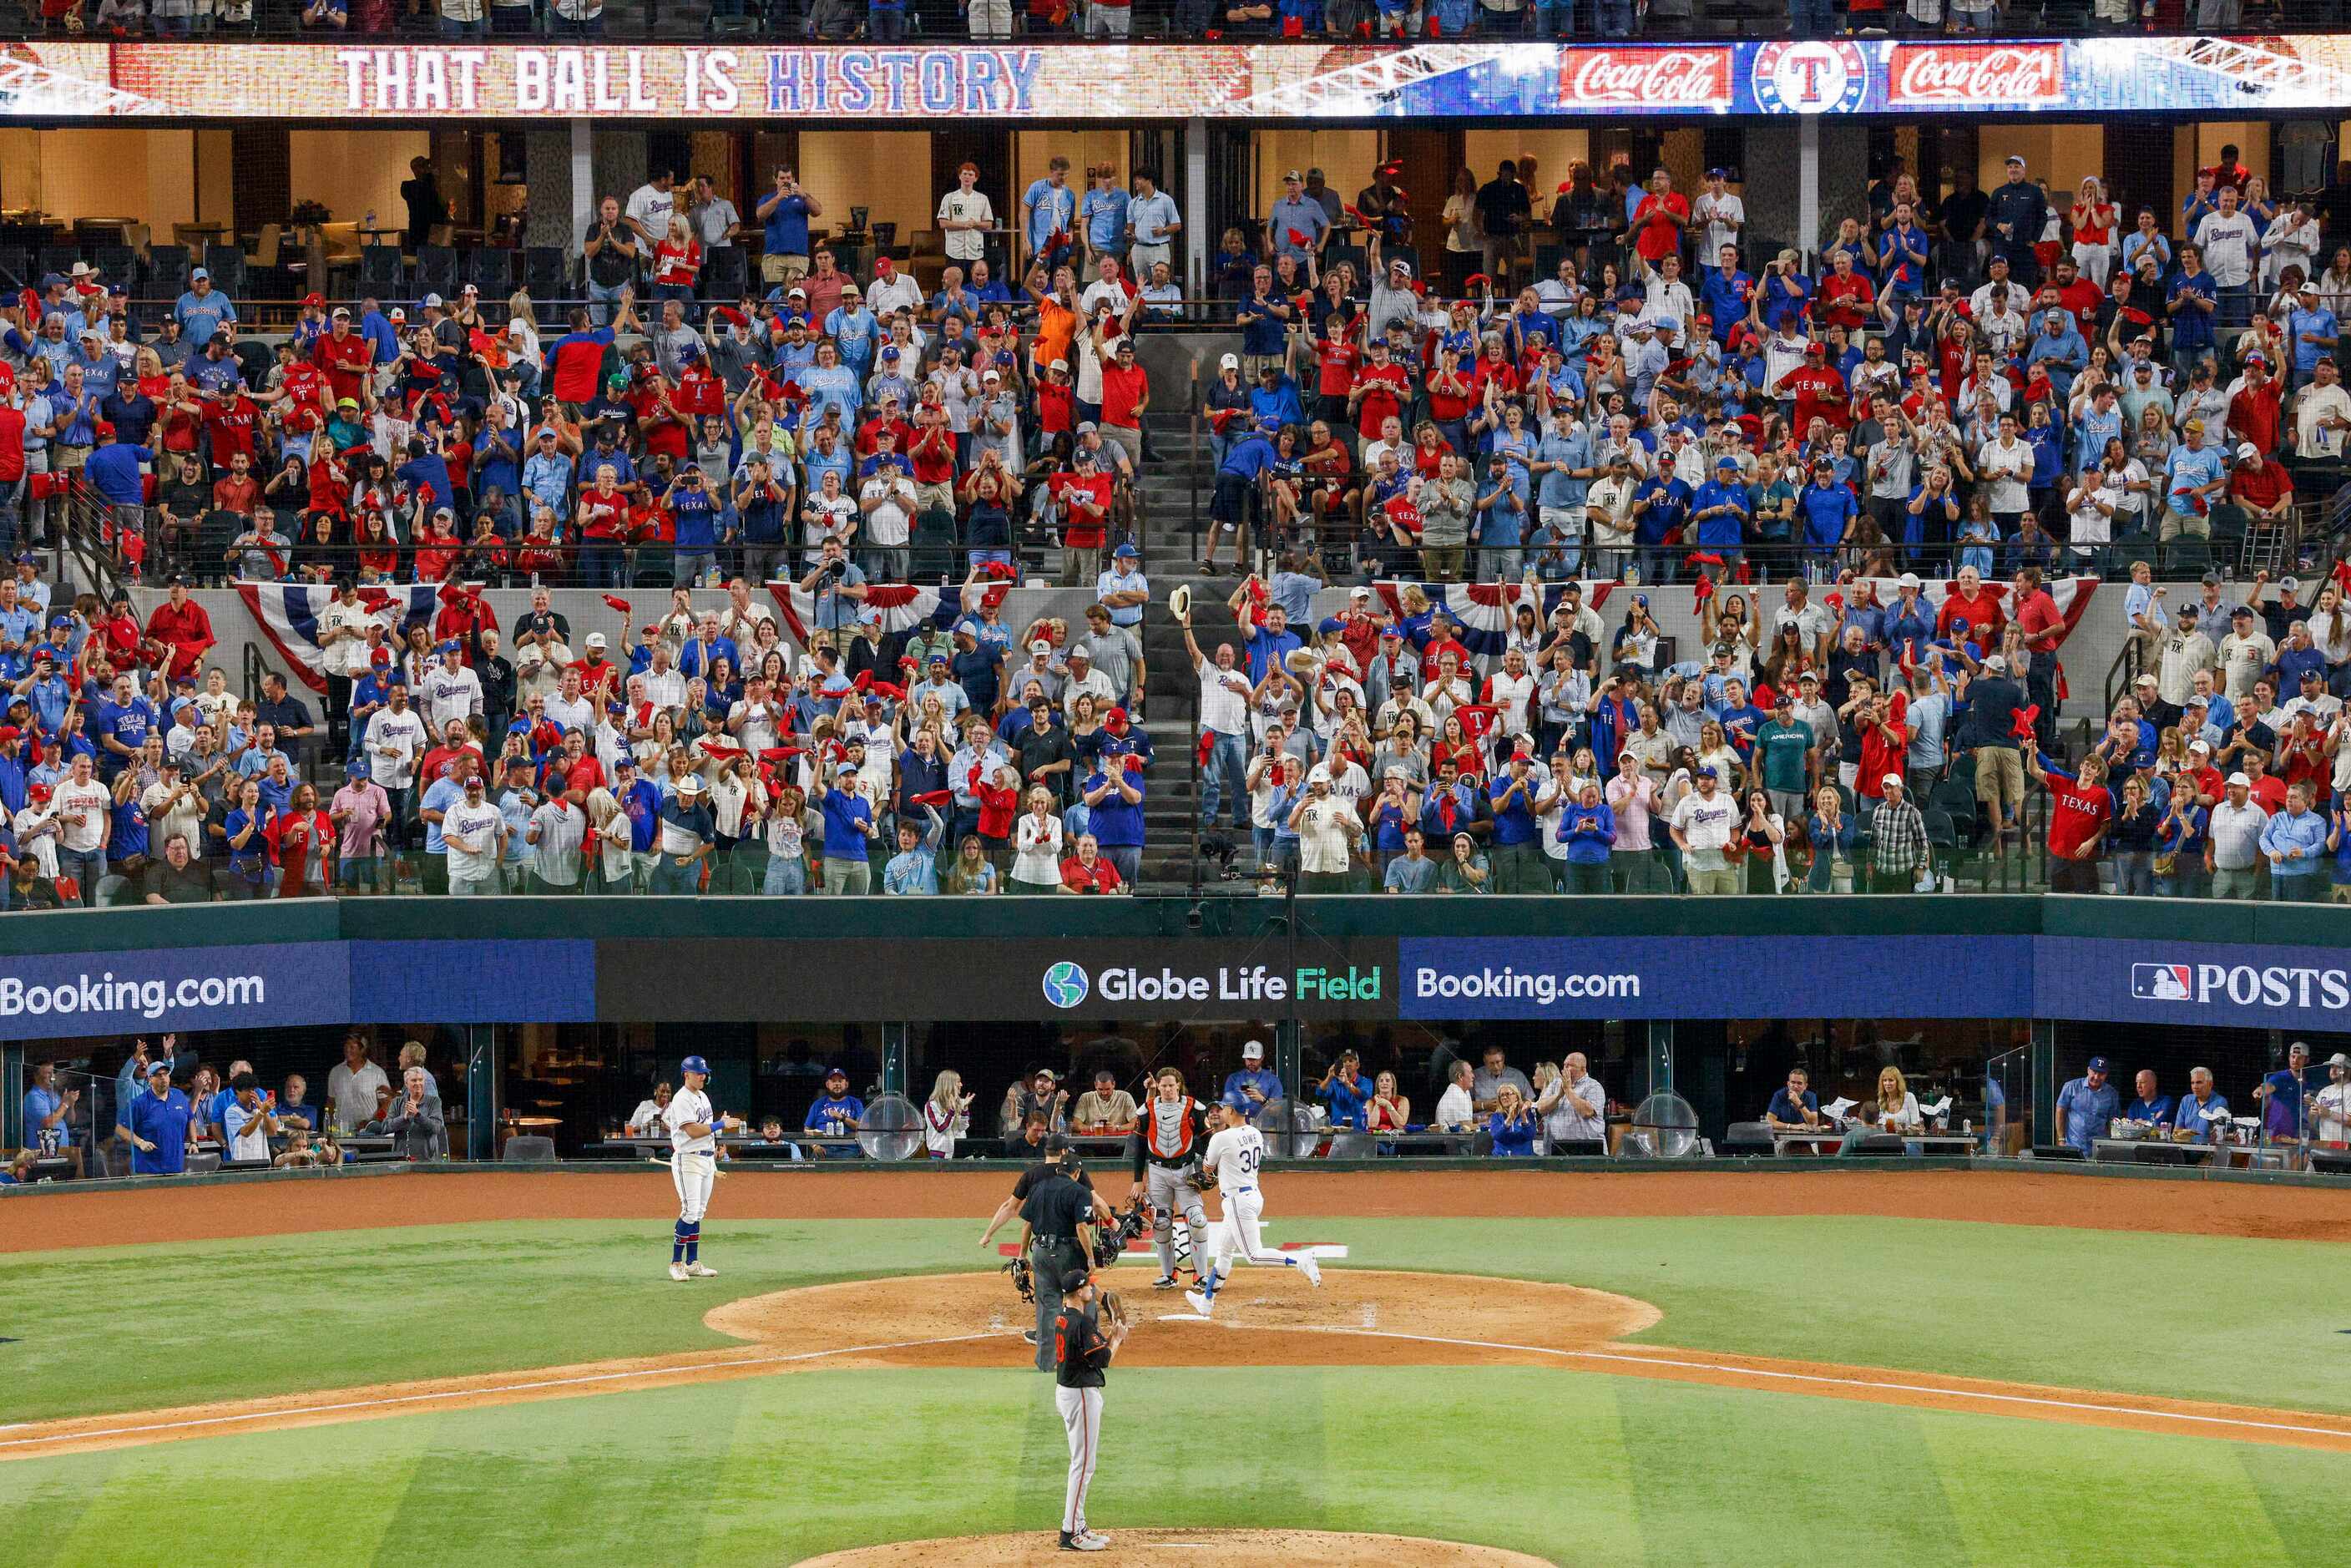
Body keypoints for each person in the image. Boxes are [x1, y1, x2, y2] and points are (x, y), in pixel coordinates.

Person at [1185, 1093, 1322, 1319]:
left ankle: (1301, 1260)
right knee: (1225, 1252)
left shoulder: (1221, 1138)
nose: (1222, 1111)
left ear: (1231, 1111)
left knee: (1253, 1255)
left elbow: (1207, 1169)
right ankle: (1206, 1301)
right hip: (1251, 1195)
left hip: (1238, 1202)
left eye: (1225, 1107)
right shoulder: (1255, 1132)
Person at [1052, 1262, 1125, 1555]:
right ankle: (1070, 1533)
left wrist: (1108, 1338)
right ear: (1079, 1291)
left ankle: (1079, 1525)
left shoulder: (1064, 1318)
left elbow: (1091, 1354)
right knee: (1082, 1466)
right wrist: (1116, 1338)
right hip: (1080, 1394)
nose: (1092, 1289)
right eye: (1089, 1286)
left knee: (1083, 1464)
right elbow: (1103, 1358)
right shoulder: (1081, 1323)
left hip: (1070, 1391)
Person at [1130, 1066, 1216, 1291]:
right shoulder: (1146, 1111)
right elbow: (1139, 1147)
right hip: (1157, 1171)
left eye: (1171, 1085)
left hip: (1186, 1170)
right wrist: (1138, 1180)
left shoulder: (1194, 1107)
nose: (1168, 1089)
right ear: (1157, 1086)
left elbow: (1210, 1141)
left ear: (1178, 1084)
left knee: (1197, 1221)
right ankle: (1169, 1275)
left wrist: (1209, 1170)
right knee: (1161, 1223)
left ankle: (1201, 1276)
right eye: (1164, 1085)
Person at [662, 1054, 740, 1281]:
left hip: (706, 1159)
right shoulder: (681, 1099)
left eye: (704, 1073)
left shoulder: (703, 1096)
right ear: (687, 1074)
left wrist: (714, 1151)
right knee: (689, 1210)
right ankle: (676, 1263)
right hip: (688, 1159)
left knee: (699, 1212)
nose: (703, 1076)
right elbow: (693, 1131)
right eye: (698, 1073)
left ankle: (692, 1263)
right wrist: (720, 1124)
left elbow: (705, 1130)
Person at [115, 1055, 195, 1176]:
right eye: (158, 1075)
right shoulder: (139, 1103)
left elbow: (190, 1118)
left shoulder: (179, 1096)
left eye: (165, 1074)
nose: (163, 1078)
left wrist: (194, 1142)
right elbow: (120, 1129)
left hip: (176, 1167)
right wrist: (140, 1142)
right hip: (147, 1170)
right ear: (149, 1079)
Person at [2055, 1055, 2121, 1157]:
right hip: (2073, 1146)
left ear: (2106, 1075)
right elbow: (2060, 1111)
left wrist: (2110, 1146)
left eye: (2101, 1074)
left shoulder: (2112, 1093)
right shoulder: (2071, 1087)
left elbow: (2114, 1121)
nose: (2096, 1077)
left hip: (2100, 1149)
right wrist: (2061, 1139)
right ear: (2088, 1070)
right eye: (2094, 1072)